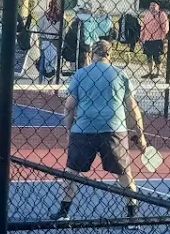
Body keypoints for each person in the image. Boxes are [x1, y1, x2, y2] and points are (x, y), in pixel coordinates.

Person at [53, 40, 148, 222]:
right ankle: (132, 215)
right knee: (124, 173)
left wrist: (70, 130)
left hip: (84, 129)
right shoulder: (120, 75)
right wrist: (140, 133)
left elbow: (69, 106)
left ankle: (64, 212)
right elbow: (132, 107)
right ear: (110, 54)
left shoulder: (81, 74)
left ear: (91, 54)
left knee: (72, 172)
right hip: (114, 129)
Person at [140, 1, 169, 78]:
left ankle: (158, 72)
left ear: (158, 6)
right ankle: (150, 72)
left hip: (157, 39)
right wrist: (142, 37)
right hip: (147, 39)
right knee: (148, 56)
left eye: (154, 5)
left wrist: (162, 37)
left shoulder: (161, 14)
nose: (152, 7)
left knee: (157, 56)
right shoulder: (147, 14)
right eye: (150, 5)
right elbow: (143, 26)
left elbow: (165, 28)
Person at [39, 0, 63, 79]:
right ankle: (53, 80)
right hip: (56, 41)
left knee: (43, 61)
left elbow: (39, 27)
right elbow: (64, 31)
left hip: (44, 40)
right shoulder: (62, 17)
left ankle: (41, 81)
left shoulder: (45, 15)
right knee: (54, 63)